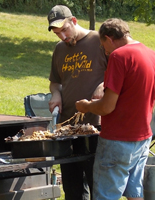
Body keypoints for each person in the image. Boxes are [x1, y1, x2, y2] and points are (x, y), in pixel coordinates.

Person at [75, 18, 155, 200]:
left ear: (109, 38)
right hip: (143, 137)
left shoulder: (119, 56)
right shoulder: (153, 55)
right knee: (134, 192)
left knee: (105, 195)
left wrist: (86, 106)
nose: (104, 51)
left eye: (103, 45)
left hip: (118, 140)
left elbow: (107, 107)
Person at [47, 5, 108, 200]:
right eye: (57, 33)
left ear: (73, 21)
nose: (63, 37)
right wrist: (56, 93)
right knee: (72, 188)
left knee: (97, 184)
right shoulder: (59, 50)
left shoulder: (100, 40)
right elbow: (55, 82)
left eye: (64, 30)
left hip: (95, 125)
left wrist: (104, 84)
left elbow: (120, 72)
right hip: (68, 128)